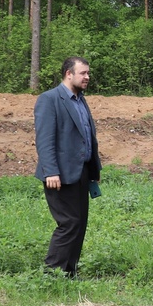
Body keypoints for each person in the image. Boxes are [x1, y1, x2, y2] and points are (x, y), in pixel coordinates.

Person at [34, 56, 101, 276]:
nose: (87, 77)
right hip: (59, 175)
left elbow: (87, 136)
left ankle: (69, 273)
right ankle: (53, 274)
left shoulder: (80, 100)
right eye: (83, 73)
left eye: (88, 73)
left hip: (80, 172)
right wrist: (51, 170)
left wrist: (93, 170)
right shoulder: (49, 99)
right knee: (68, 223)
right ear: (68, 74)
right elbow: (45, 139)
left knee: (79, 223)